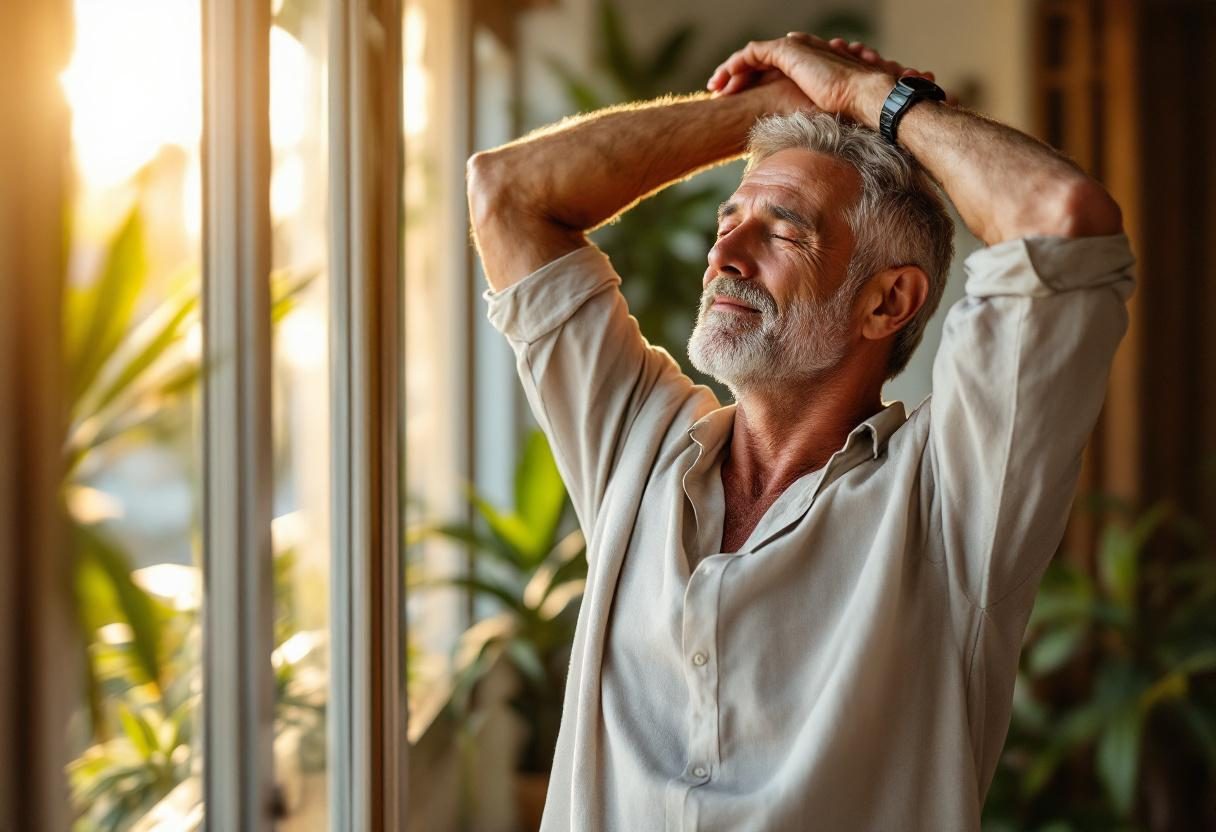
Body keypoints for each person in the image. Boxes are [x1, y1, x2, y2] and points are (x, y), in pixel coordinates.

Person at [467, 32, 1133, 832]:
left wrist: (867, 98)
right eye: (727, 221)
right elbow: (505, 194)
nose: (725, 257)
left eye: (782, 232)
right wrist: (765, 110)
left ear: (887, 303)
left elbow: (1061, 222)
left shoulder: (951, 499)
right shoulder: (634, 449)